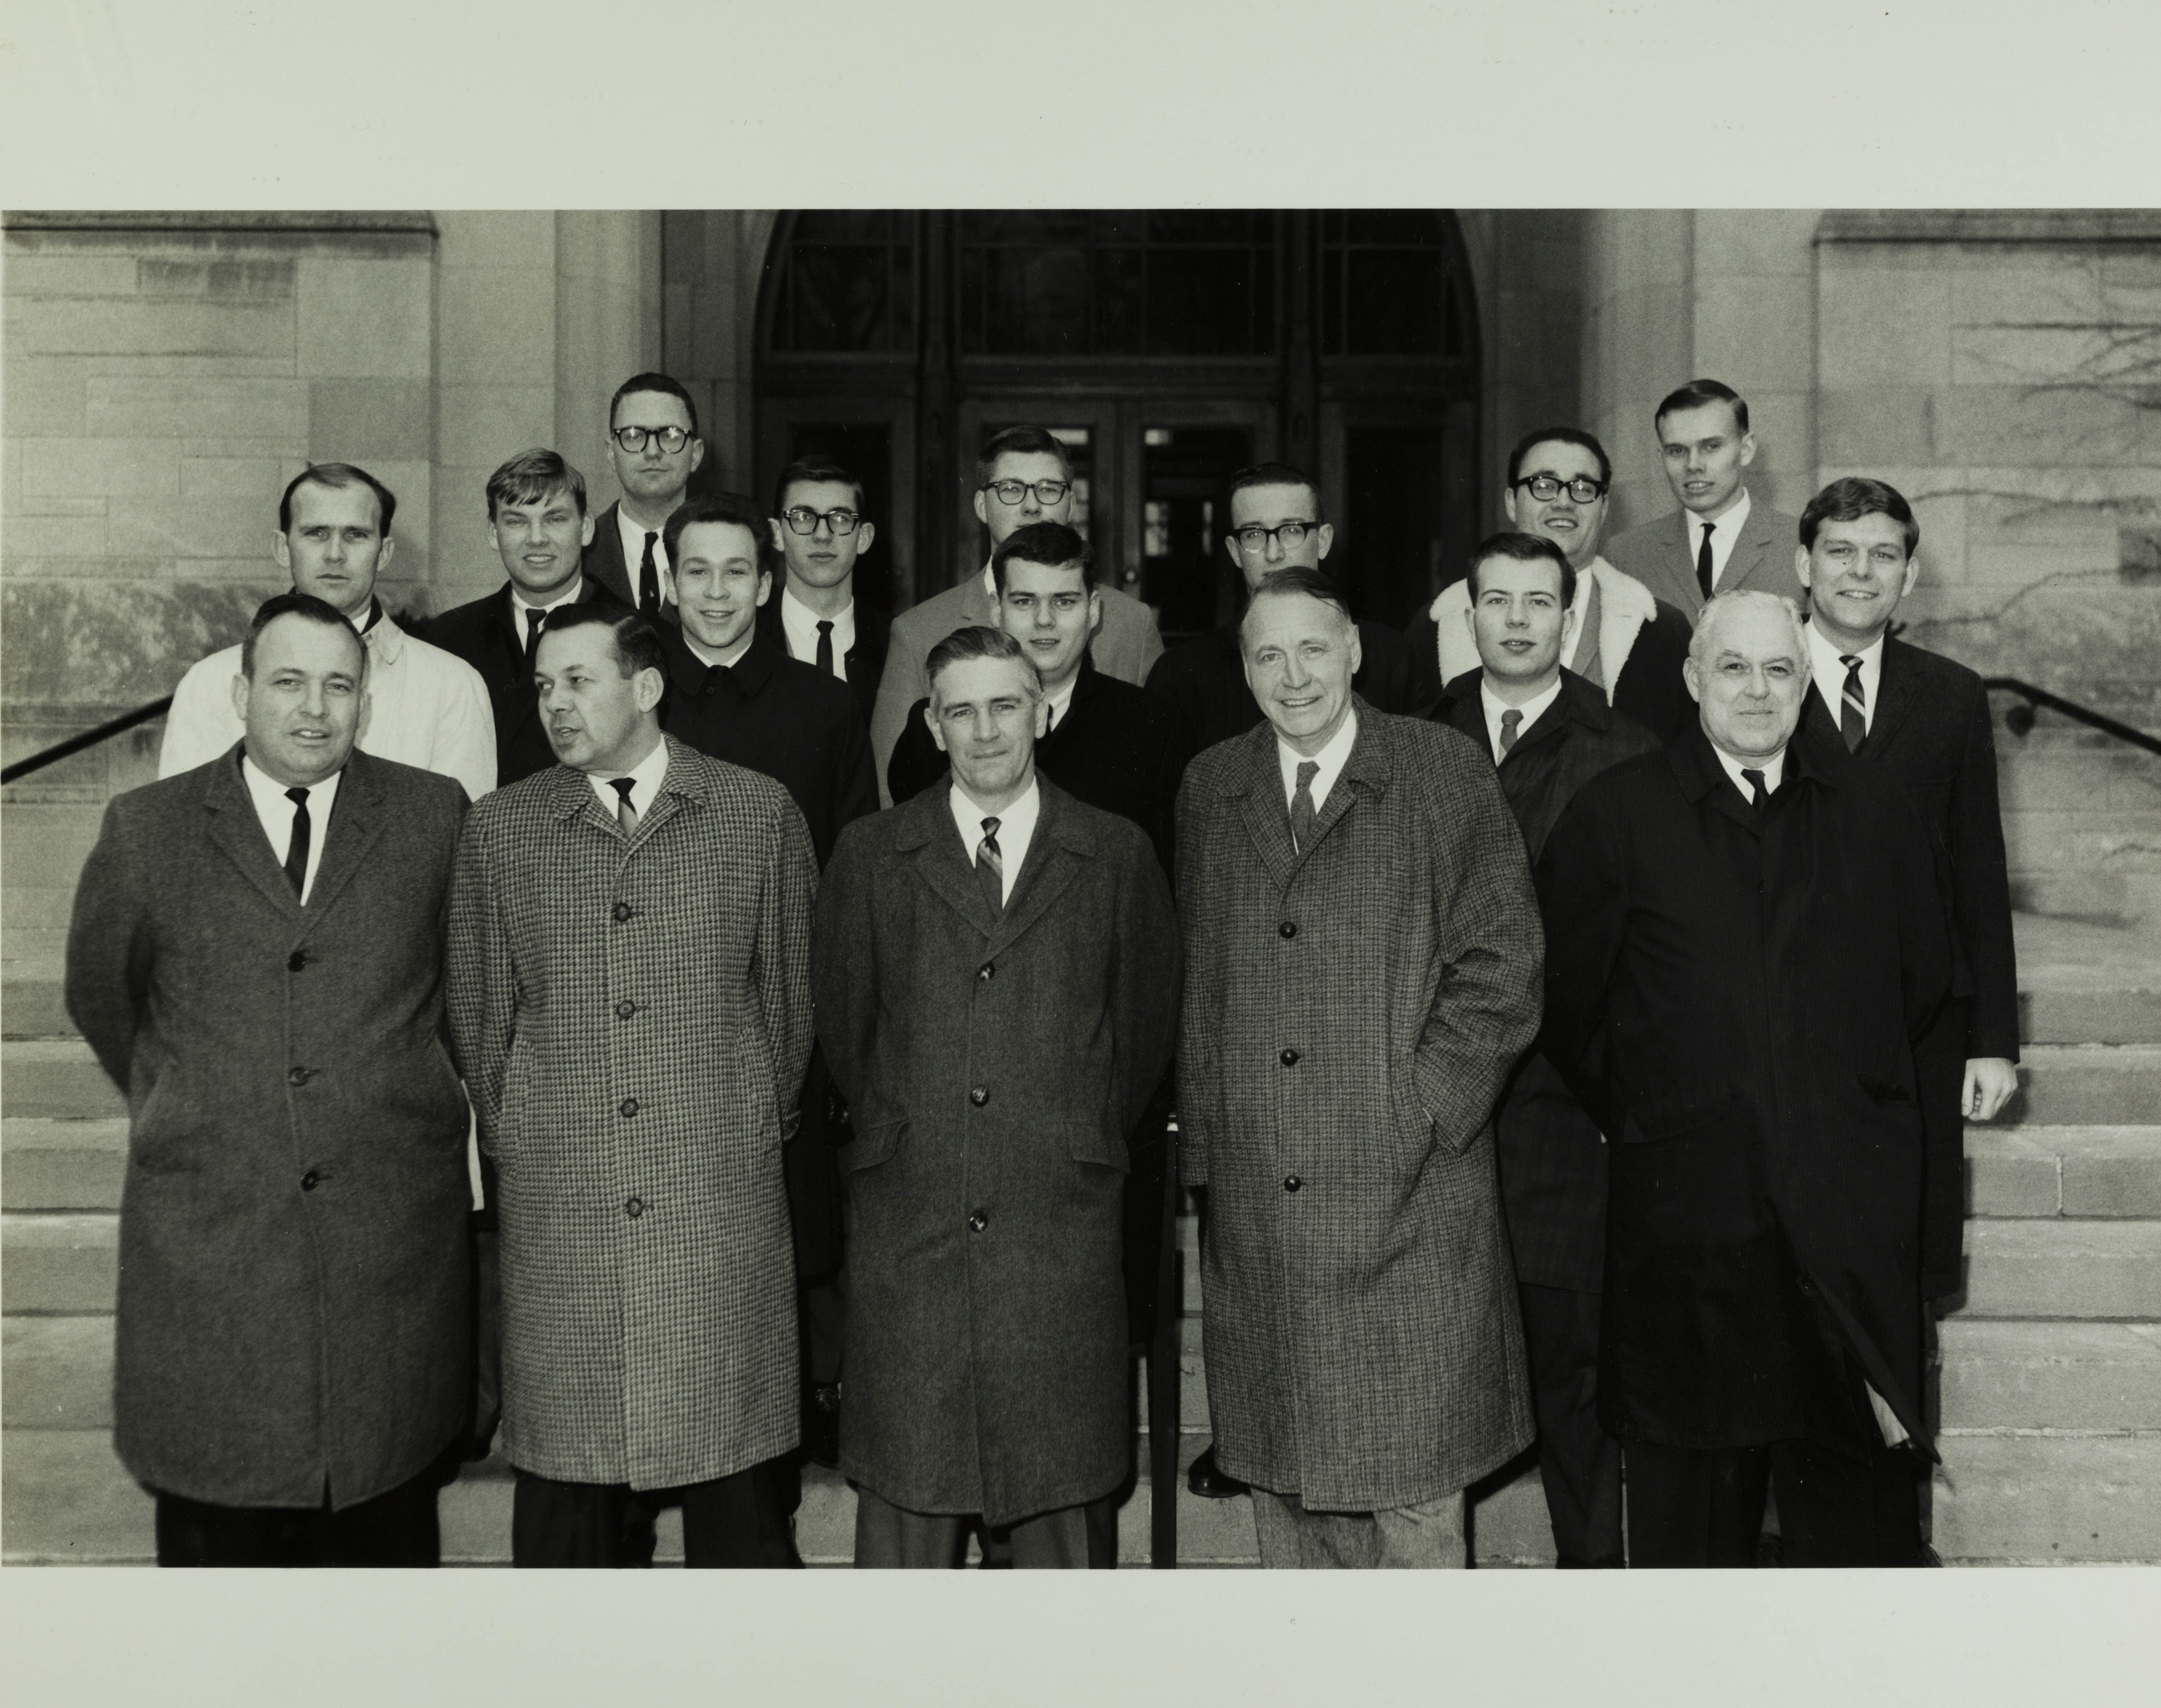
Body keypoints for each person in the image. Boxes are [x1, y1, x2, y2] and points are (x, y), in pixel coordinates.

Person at [1536, 590, 1953, 1567]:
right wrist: (1668, 1111)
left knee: (1856, 1547)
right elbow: (1568, 1007)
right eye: (1732, 667)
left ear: (1804, 679)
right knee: (1691, 1547)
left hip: (1844, 1236)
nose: (1755, 691)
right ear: (1691, 680)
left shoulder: (1872, 813)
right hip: (1690, 1236)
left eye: (1776, 669)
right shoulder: (1616, 815)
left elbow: (1921, 986)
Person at [65, 592, 474, 1565]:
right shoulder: (146, 830)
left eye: (339, 685)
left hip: (388, 1263)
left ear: (365, 703)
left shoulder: (431, 818)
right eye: (288, 682)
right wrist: (201, 1101)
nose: (314, 707)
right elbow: (101, 999)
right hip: (213, 1261)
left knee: (380, 1604)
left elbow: (469, 996)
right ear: (242, 692)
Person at [1175, 568, 1544, 1567]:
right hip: (1260, 1216)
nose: (1292, 675)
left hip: (1410, 1205)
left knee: (1411, 1496)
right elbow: (1201, 979)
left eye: (1311, 648)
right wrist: (1208, 1157)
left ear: (1352, 651)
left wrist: (1418, 1112)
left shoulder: (1438, 769)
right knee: (1286, 1494)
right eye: (1266, 654)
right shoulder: (1212, 785)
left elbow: (1500, 965)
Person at [446, 600, 817, 1567]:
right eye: (542, 686)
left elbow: (788, 1012)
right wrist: (536, 1127)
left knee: (736, 1521)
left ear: (646, 687)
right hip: (564, 1225)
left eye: (579, 680)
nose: (555, 705)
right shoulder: (501, 834)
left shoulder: (755, 813)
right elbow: (483, 1030)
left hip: (714, 1216)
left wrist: (727, 1121)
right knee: (569, 1532)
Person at [814, 625, 1179, 1567]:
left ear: (1043, 712)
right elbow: (849, 1034)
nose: (985, 732)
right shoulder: (870, 854)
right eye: (961, 710)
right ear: (931, 724)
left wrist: (1060, 1132)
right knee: (908, 1533)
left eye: (1005, 706)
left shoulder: (1114, 854)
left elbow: (1136, 1041)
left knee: (1062, 1543)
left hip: (1058, 1230)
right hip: (914, 1227)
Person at [1426, 531, 1659, 1567]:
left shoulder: (1625, 749)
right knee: (1436, 1379)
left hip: (1565, 1116)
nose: (1515, 618)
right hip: (1432, 1113)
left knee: (1570, 1374)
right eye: (1494, 600)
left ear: (1567, 619)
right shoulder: (1408, 741)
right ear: (1466, 615)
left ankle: (1588, 1596)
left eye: (1536, 601)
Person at [657, 491, 879, 1468]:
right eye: (696, 571)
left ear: (767, 576)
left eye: (735, 571)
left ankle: (791, 1422)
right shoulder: (627, 693)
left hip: (778, 1024)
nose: (715, 592)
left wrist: (828, 1031)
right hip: (651, 1028)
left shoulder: (822, 707)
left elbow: (850, 875)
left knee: (789, 1237)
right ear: (667, 581)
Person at [1790, 477, 2019, 1316]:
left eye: (1882, 554)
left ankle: (1901, 1442)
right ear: (1802, 564)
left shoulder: (1952, 695)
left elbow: (1977, 870)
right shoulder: (1755, 676)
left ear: (1908, 576)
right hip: (1791, 1014)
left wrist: (1993, 1039)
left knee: (1906, 1258)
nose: (1860, 572)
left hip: (1920, 1021)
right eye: (1840, 552)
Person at [158, 462, 495, 800]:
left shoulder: (453, 687)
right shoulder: (209, 683)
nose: (335, 555)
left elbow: (460, 842)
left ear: (384, 553)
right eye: (316, 533)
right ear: (282, 547)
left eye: (356, 535)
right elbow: (184, 834)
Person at [865, 425, 1165, 803]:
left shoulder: (1132, 623)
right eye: (1011, 489)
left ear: (1071, 504)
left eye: (1048, 489)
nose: (1031, 505)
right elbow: (888, 792)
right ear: (981, 506)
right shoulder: (917, 632)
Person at [887, 522, 1184, 873]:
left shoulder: (1151, 728)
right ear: (997, 611)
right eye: (1025, 601)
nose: (1045, 620)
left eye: (1064, 601)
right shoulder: (936, 726)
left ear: (1093, 611)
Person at [1409, 428, 1693, 740]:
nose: (1563, 501)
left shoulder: (1663, 630)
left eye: (1583, 488)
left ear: (1605, 508)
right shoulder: (1436, 626)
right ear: (1511, 502)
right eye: (1544, 485)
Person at [1145, 461, 1424, 766]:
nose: (1274, 553)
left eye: (1292, 531)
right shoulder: (1181, 675)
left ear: (1324, 541)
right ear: (1235, 551)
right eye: (1254, 535)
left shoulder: (1394, 657)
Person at [415, 449, 606, 787]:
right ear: (493, 532)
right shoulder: (448, 637)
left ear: (586, 527)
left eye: (555, 519)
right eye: (517, 521)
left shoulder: (632, 633)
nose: (536, 538)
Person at [1603, 379, 1801, 620]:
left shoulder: (1799, 544)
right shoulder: (1627, 555)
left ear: (1746, 450)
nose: (1693, 465)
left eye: (1711, 447)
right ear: (1662, 457)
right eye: (1677, 451)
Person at [757, 453, 891, 728]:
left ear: (863, 538)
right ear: (777, 534)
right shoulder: (747, 637)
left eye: (840, 518)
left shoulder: (895, 643)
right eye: (804, 517)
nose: (822, 535)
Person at [584, 372, 704, 620]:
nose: (652, 452)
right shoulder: (578, 553)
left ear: (696, 454)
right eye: (633, 436)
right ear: (610, 453)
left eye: (670, 436)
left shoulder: (732, 551)